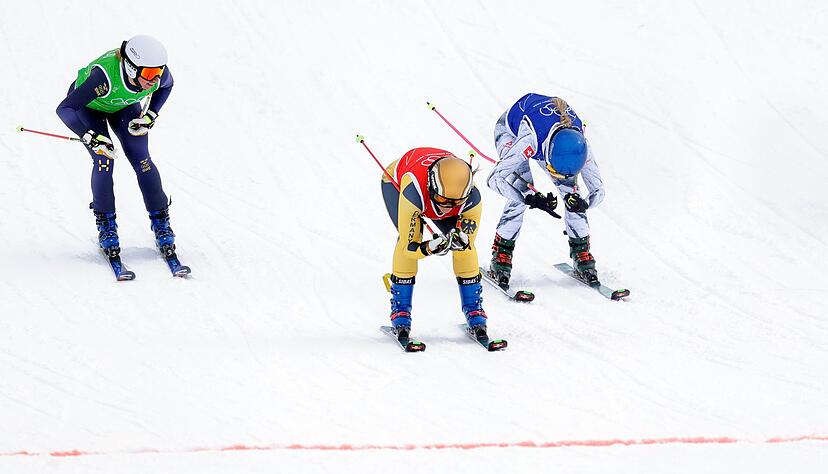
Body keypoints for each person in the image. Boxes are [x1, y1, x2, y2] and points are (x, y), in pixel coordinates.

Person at [56, 35, 178, 260]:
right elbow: (65, 109)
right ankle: (106, 224)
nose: (155, 79)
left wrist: (151, 114)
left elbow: (168, 84)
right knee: (104, 160)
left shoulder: (156, 74)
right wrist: (89, 136)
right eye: (150, 74)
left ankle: (161, 221)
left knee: (142, 160)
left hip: (123, 106)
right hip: (88, 108)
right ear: (131, 68)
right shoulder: (102, 78)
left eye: (158, 72)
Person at [486, 94, 605, 287]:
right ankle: (501, 254)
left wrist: (584, 203)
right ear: (547, 156)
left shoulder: (581, 146)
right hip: (511, 132)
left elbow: (598, 190)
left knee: (572, 194)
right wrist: (528, 198)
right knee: (521, 186)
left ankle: (581, 252)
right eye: (553, 171)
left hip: (550, 139)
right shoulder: (529, 141)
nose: (557, 177)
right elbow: (494, 179)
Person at [381, 147, 488, 338]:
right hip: (396, 182)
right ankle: (401, 311)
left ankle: (474, 310)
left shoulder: (472, 198)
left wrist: (459, 241)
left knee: (465, 248)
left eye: (456, 203)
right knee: (409, 240)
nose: (447, 208)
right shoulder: (414, 192)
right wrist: (428, 248)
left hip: (441, 189)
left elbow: (466, 243)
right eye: (441, 200)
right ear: (432, 186)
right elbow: (409, 248)